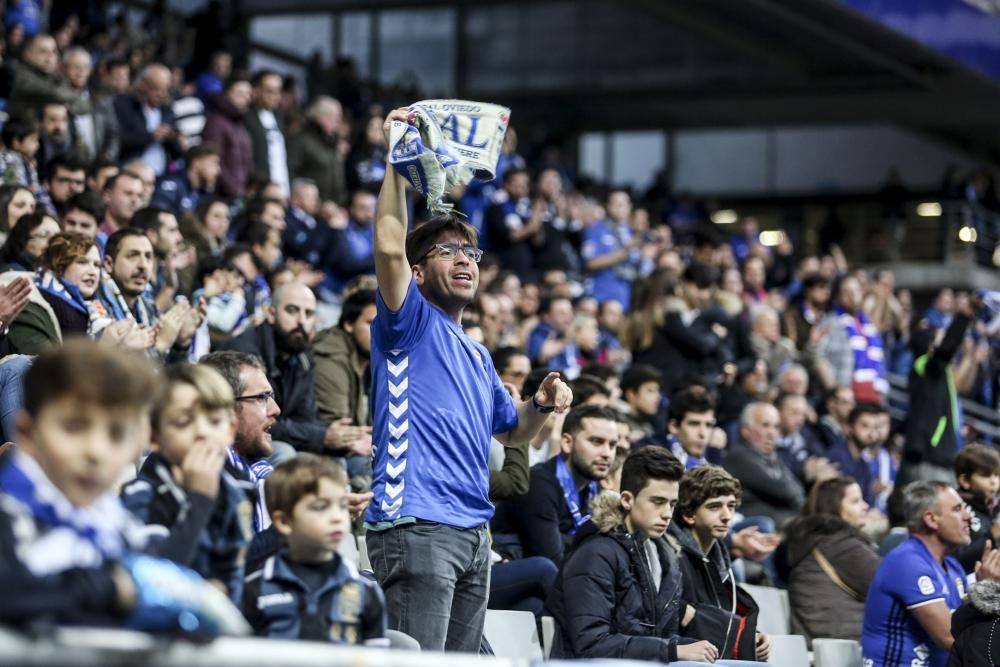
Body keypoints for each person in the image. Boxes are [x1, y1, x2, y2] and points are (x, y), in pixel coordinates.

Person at [364, 108, 572, 652]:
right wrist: (396, 164)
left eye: (470, 251)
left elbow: (514, 434)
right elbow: (389, 245)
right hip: (416, 523)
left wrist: (542, 403)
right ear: (415, 272)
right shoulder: (406, 321)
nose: (465, 259)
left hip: (472, 534)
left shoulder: (479, 356)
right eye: (448, 250)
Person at [0, 340, 246, 636]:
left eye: (116, 435)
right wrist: (118, 589)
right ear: (26, 433)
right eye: (74, 427)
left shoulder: (114, 525)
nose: (96, 452)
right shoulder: (9, 513)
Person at [545, 447, 726, 664]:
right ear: (627, 500)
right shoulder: (595, 554)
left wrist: (682, 646)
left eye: (672, 504)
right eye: (657, 502)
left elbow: (660, 637)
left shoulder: (665, 557)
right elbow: (591, 644)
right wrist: (671, 650)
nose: (667, 514)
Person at [120, 364, 255, 603]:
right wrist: (200, 501)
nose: (202, 432)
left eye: (214, 421)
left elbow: (236, 574)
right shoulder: (141, 493)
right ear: (154, 436)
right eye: (183, 422)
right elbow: (155, 580)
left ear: (231, 429)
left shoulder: (241, 488)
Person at [242, 455, 388, 645]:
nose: (337, 517)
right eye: (321, 507)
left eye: (342, 506)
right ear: (284, 522)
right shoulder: (254, 589)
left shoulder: (366, 591)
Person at [861, 480, 971, 667]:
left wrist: (988, 588)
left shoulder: (952, 567)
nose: (968, 516)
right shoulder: (907, 561)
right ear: (931, 519)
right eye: (957, 509)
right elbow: (950, 637)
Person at [667, 465, 770, 661]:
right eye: (715, 507)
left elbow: (716, 617)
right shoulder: (672, 556)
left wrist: (751, 637)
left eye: (730, 506)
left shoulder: (720, 559)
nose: (727, 516)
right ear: (689, 514)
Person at [493, 405, 618, 565]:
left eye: (612, 445)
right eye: (596, 442)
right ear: (566, 443)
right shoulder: (539, 484)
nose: (607, 453)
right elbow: (551, 559)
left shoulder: (596, 488)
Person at [781, 477, 880, 642]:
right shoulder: (840, 543)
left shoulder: (813, 539)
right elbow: (889, 581)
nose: (865, 506)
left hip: (820, 636)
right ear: (834, 507)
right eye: (855, 501)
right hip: (844, 639)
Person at [898, 294, 976, 486]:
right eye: (938, 339)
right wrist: (964, 316)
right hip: (929, 460)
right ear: (931, 347)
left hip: (936, 458)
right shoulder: (925, 366)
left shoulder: (934, 374)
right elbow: (946, 351)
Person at [5, 232, 109, 353]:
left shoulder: (94, 308)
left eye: (97, 265)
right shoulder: (33, 300)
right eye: (82, 262)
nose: (93, 272)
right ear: (59, 265)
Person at [313, 288, 376, 465]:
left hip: (360, 444)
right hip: (327, 451)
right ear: (349, 324)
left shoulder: (374, 357)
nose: (381, 332)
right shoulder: (331, 357)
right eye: (372, 323)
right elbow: (340, 428)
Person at [723, 402, 805, 526]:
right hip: (755, 524)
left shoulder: (772, 456)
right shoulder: (739, 456)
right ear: (745, 430)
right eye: (765, 425)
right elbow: (782, 490)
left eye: (776, 427)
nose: (772, 433)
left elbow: (796, 490)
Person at [815, 275, 888, 403]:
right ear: (838, 297)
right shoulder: (830, 322)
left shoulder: (868, 325)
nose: (852, 296)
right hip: (847, 399)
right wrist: (834, 390)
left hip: (874, 398)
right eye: (846, 292)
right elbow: (818, 356)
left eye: (856, 291)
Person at [114, 63, 182, 176]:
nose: (162, 94)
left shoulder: (167, 112)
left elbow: (176, 154)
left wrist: (175, 140)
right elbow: (119, 141)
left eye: (166, 89)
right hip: (130, 173)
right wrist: (151, 136)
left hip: (160, 176)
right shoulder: (124, 105)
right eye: (157, 88)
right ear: (143, 85)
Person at [826, 402, 891, 507]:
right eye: (865, 426)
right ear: (849, 428)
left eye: (874, 427)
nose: (871, 434)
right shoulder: (836, 457)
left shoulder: (864, 463)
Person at [287, 96, 347, 206]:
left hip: (333, 207)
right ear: (319, 117)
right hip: (310, 207)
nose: (338, 123)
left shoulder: (331, 142)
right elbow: (292, 172)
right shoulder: (300, 140)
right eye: (335, 117)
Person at [202, 76, 254, 199]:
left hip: (240, 195)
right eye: (240, 94)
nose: (246, 99)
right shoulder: (216, 122)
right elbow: (213, 161)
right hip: (222, 196)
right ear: (226, 94)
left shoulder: (240, 125)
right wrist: (234, 191)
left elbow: (248, 163)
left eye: (248, 95)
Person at [952, 444, 1000, 574]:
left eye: (996, 475)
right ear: (965, 481)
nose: (994, 481)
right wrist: (992, 535)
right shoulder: (955, 509)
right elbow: (958, 559)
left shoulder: (994, 507)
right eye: (986, 475)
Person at [244, 70, 289, 195]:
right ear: (256, 91)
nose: (275, 96)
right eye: (269, 91)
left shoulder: (279, 118)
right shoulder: (246, 117)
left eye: (278, 91)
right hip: (260, 190)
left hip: (281, 190)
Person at [151, 143, 220, 219]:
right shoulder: (173, 185)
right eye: (214, 163)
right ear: (196, 163)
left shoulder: (201, 193)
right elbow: (157, 215)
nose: (218, 170)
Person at [620, 364, 663, 440]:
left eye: (657, 391)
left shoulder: (648, 426)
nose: (658, 397)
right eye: (650, 391)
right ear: (631, 394)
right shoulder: (618, 424)